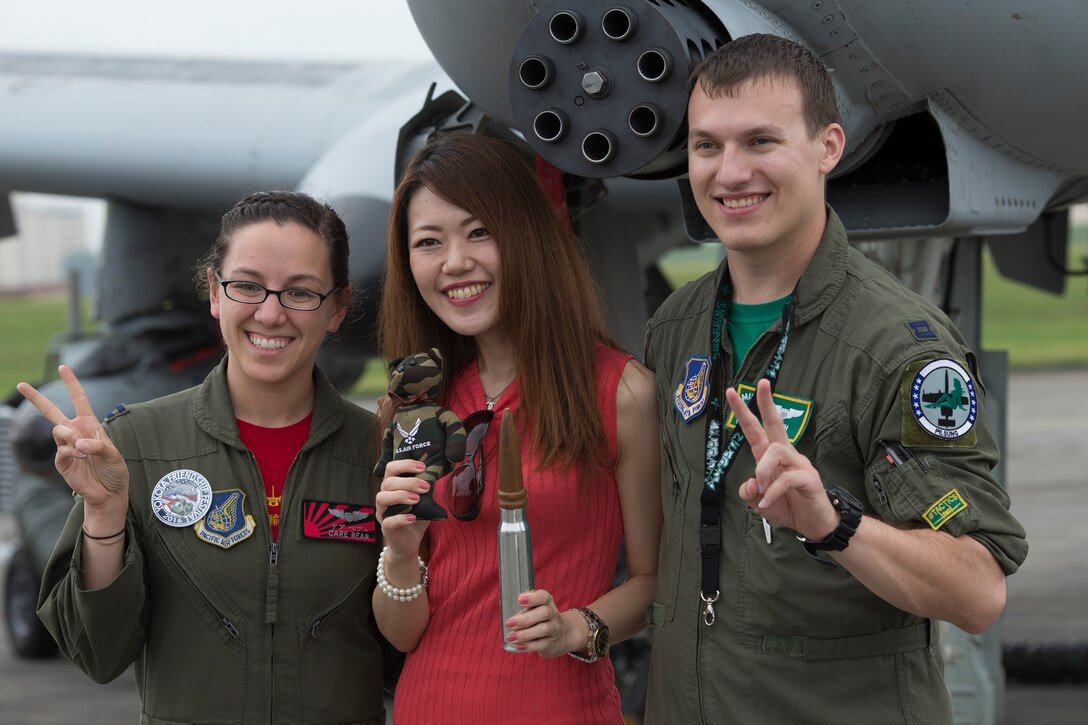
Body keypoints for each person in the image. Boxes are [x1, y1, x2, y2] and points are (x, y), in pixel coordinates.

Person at [642, 34, 1028, 724]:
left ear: (828, 147)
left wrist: (835, 522)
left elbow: (979, 590)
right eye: (707, 146)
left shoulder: (897, 349)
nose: (729, 173)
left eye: (761, 141)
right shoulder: (677, 326)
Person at [19, 191, 393, 724]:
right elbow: (97, 652)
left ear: (337, 308)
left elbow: (414, 656)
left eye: (301, 292)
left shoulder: (383, 454)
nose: (270, 312)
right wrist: (103, 516)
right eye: (246, 286)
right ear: (214, 293)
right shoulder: (136, 446)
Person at [373, 132, 662, 724]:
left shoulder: (622, 392)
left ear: (527, 234)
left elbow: (655, 584)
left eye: (480, 232)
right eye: (429, 242)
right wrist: (400, 557)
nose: (455, 263)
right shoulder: (409, 408)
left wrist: (577, 627)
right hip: (427, 706)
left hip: (563, 707)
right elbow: (403, 635)